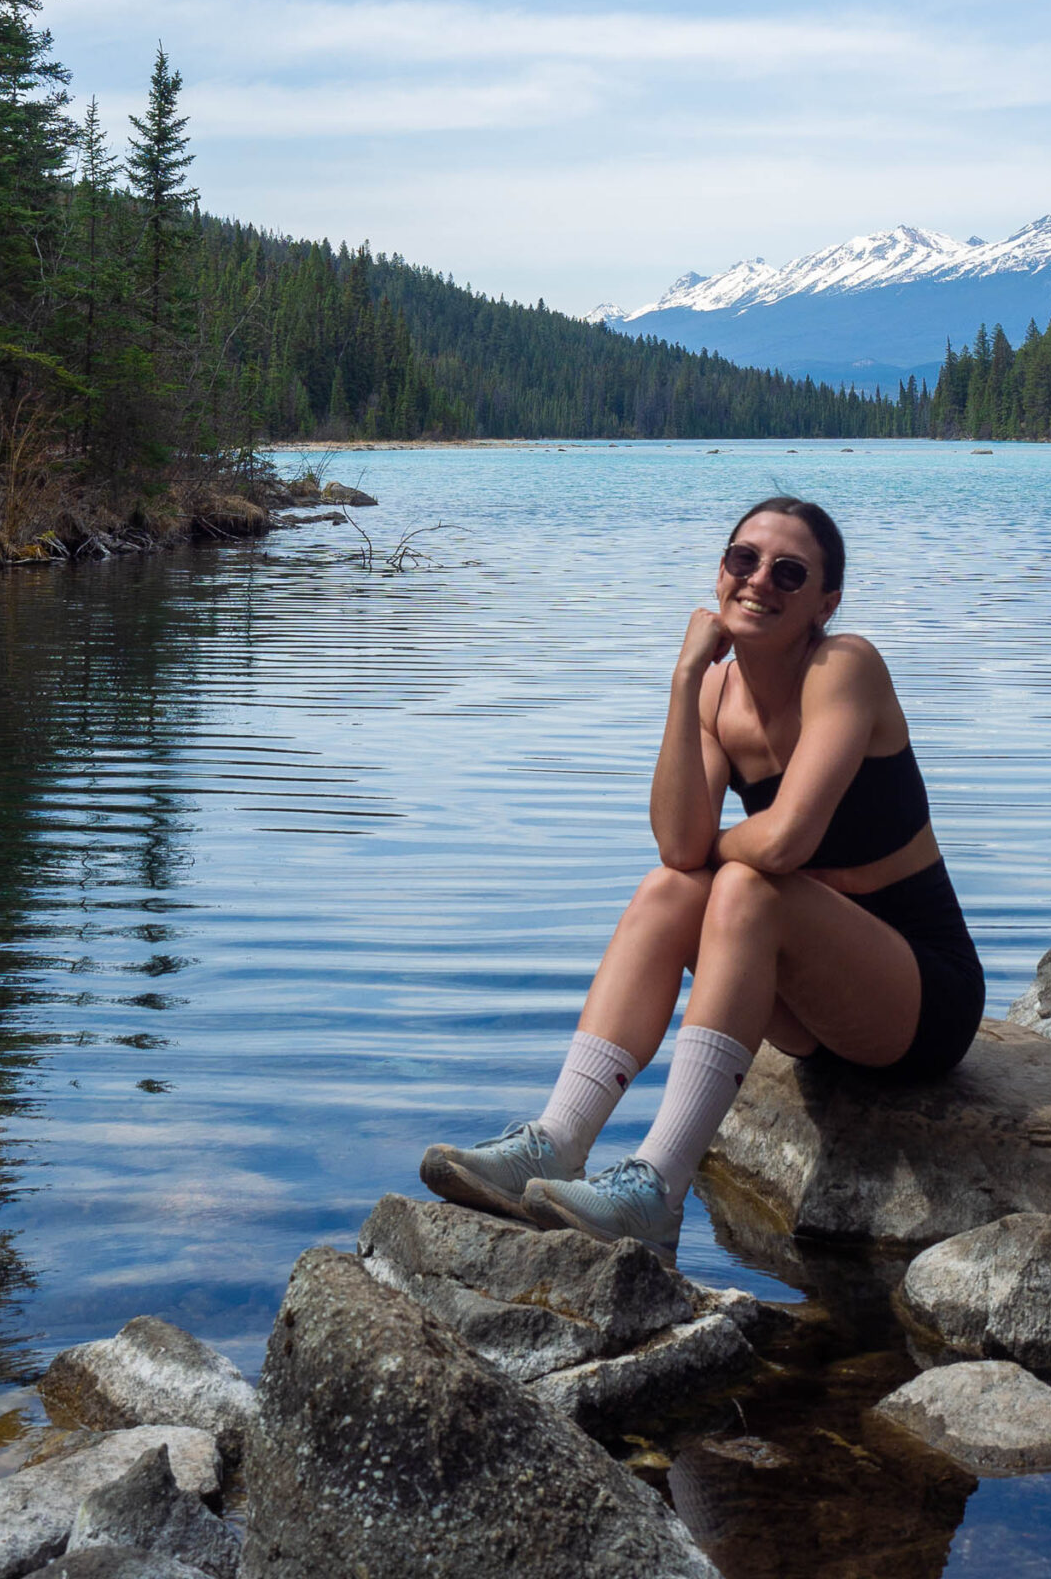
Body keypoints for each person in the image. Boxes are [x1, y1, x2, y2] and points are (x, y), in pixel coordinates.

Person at [419, 495, 984, 1262]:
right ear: (720, 573)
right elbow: (677, 849)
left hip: (919, 999)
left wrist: (713, 857)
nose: (760, 582)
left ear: (826, 601)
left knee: (741, 885)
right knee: (670, 890)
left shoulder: (844, 667)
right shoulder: (719, 694)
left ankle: (656, 1187)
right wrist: (686, 679)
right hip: (816, 1011)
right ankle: (556, 1140)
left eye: (789, 571)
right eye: (742, 560)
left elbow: (784, 842)